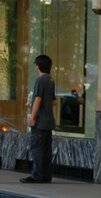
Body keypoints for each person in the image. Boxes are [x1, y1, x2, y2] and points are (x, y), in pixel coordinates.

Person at [21, 54, 56, 183]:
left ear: (38, 66)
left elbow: (38, 99)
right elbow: (52, 101)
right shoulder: (51, 80)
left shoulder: (40, 80)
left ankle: (37, 175)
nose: (35, 67)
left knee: (37, 149)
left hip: (40, 122)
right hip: (48, 121)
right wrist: (33, 105)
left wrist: (33, 116)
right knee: (46, 150)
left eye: (36, 65)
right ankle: (46, 176)